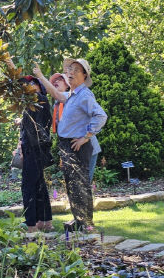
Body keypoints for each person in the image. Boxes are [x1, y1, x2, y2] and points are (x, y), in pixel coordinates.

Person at [35, 59, 107, 232]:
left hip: (77, 145)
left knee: (80, 185)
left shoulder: (84, 95)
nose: (71, 72)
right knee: (72, 185)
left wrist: (86, 136)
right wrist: (40, 76)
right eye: (69, 69)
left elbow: (101, 116)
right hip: (67, 145)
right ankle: (79, 220)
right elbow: (56, 94)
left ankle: (87, 224)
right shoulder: (72, 94)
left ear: (84, 75)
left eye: (76, 70)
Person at [46, 71, 102, 182]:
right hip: (70, 149)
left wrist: (86, 137)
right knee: (74, 185)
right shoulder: (56, 105)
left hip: (86, 147)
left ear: (67, 83)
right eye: (54, 81)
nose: (56, 82)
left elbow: (98, 117)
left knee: (84, 183)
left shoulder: (75, 98)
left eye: (60, 79)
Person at [15, 76, 53, 232]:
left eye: (32, 83)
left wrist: (23, 148)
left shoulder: (38, 99)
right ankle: (44, 221)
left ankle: (31, 225)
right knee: (39, 185)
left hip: (33, 149)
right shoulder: (35, 102)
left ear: (38, 86)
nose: (28, 86)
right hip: (37, 149)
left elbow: (33, 130)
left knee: (29, 186)